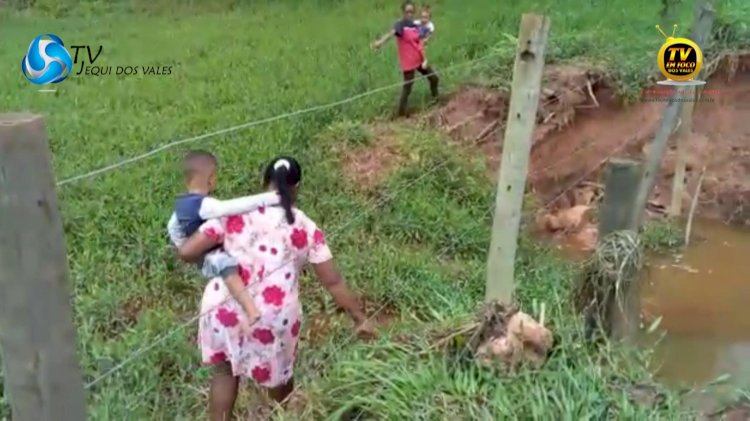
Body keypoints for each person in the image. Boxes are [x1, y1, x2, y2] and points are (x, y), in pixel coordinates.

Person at [177, 156, 377, 420]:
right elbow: (333, 281)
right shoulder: (305, 225)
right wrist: (361, 319)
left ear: (264, 182)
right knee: (280, 382)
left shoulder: (232, 212)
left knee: (225, 374)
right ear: (297, 187)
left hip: (223, 307)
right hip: (273, 316)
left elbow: (189, 251)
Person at [167, 150, 279, 330]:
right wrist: (272, 197)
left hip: (203, 257)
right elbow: (234, 207)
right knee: (228, 268)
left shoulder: (180, 205)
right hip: (214, 255)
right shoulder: (204, 204)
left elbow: (173, 228)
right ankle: (251, 310)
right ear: (210, 178)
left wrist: (186, 248)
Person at [371, 0, 439, 117]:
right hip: (408, 63)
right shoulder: (400, 25)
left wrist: (425, 56)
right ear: (403, 12)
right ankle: (401, 115)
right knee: (407, 89)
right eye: (407, 12)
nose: (410, 14)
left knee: (434, 78)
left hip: (419, 60)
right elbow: (392, 33)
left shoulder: (415, 25)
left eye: (412, 12)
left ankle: (436, 101)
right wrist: (380, 42)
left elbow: (423, 39)